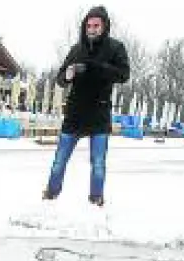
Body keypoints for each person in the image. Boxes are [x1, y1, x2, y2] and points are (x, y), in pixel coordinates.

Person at [42, 6, 129, 206]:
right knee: (59, 160)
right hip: (75, 113)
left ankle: (96, 198)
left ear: (104, 27)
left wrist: (98, 67)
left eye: (96, 25)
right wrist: (67, 76)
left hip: (99, 112)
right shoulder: (76, 50)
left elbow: (124, 75)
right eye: (89, 25)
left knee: (98, 163)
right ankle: (51, 194)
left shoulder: (115, 48)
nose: (92, 29)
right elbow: (60, 79)